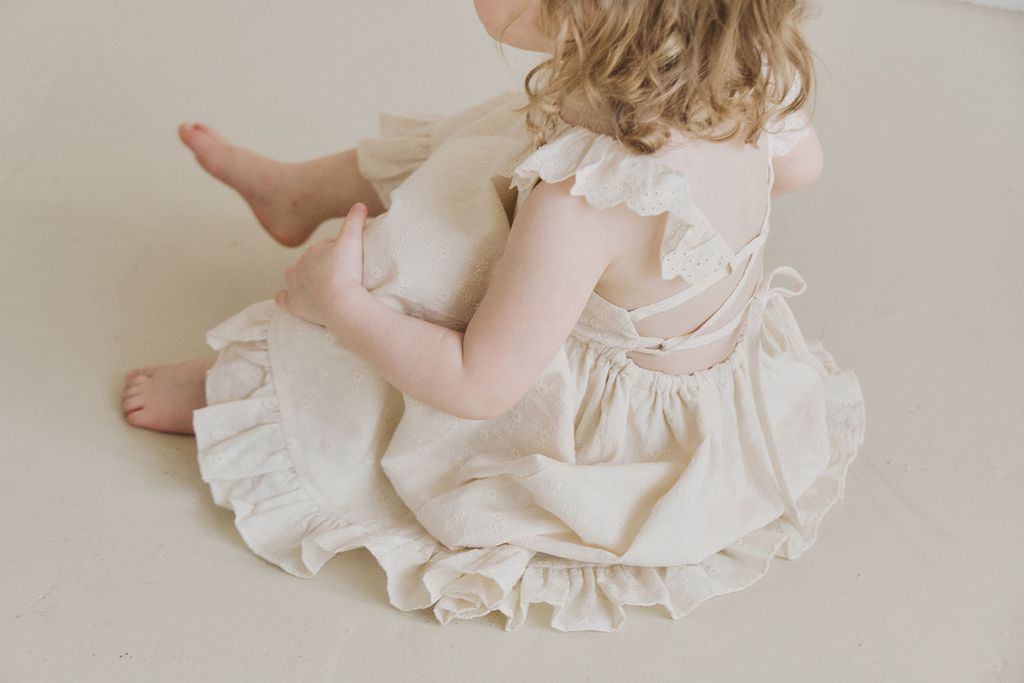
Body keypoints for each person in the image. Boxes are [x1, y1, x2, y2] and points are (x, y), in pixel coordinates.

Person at [122, 0, 866, 632]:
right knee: (494, 134)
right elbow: (802, 167)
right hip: (717, 378)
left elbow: (477, 384)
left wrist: (341, 306)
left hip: (609, 447)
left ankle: (243, 388)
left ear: (582, 17)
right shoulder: (747, 74)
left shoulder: (584, 206)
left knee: (408, 269)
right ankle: (297, 194)